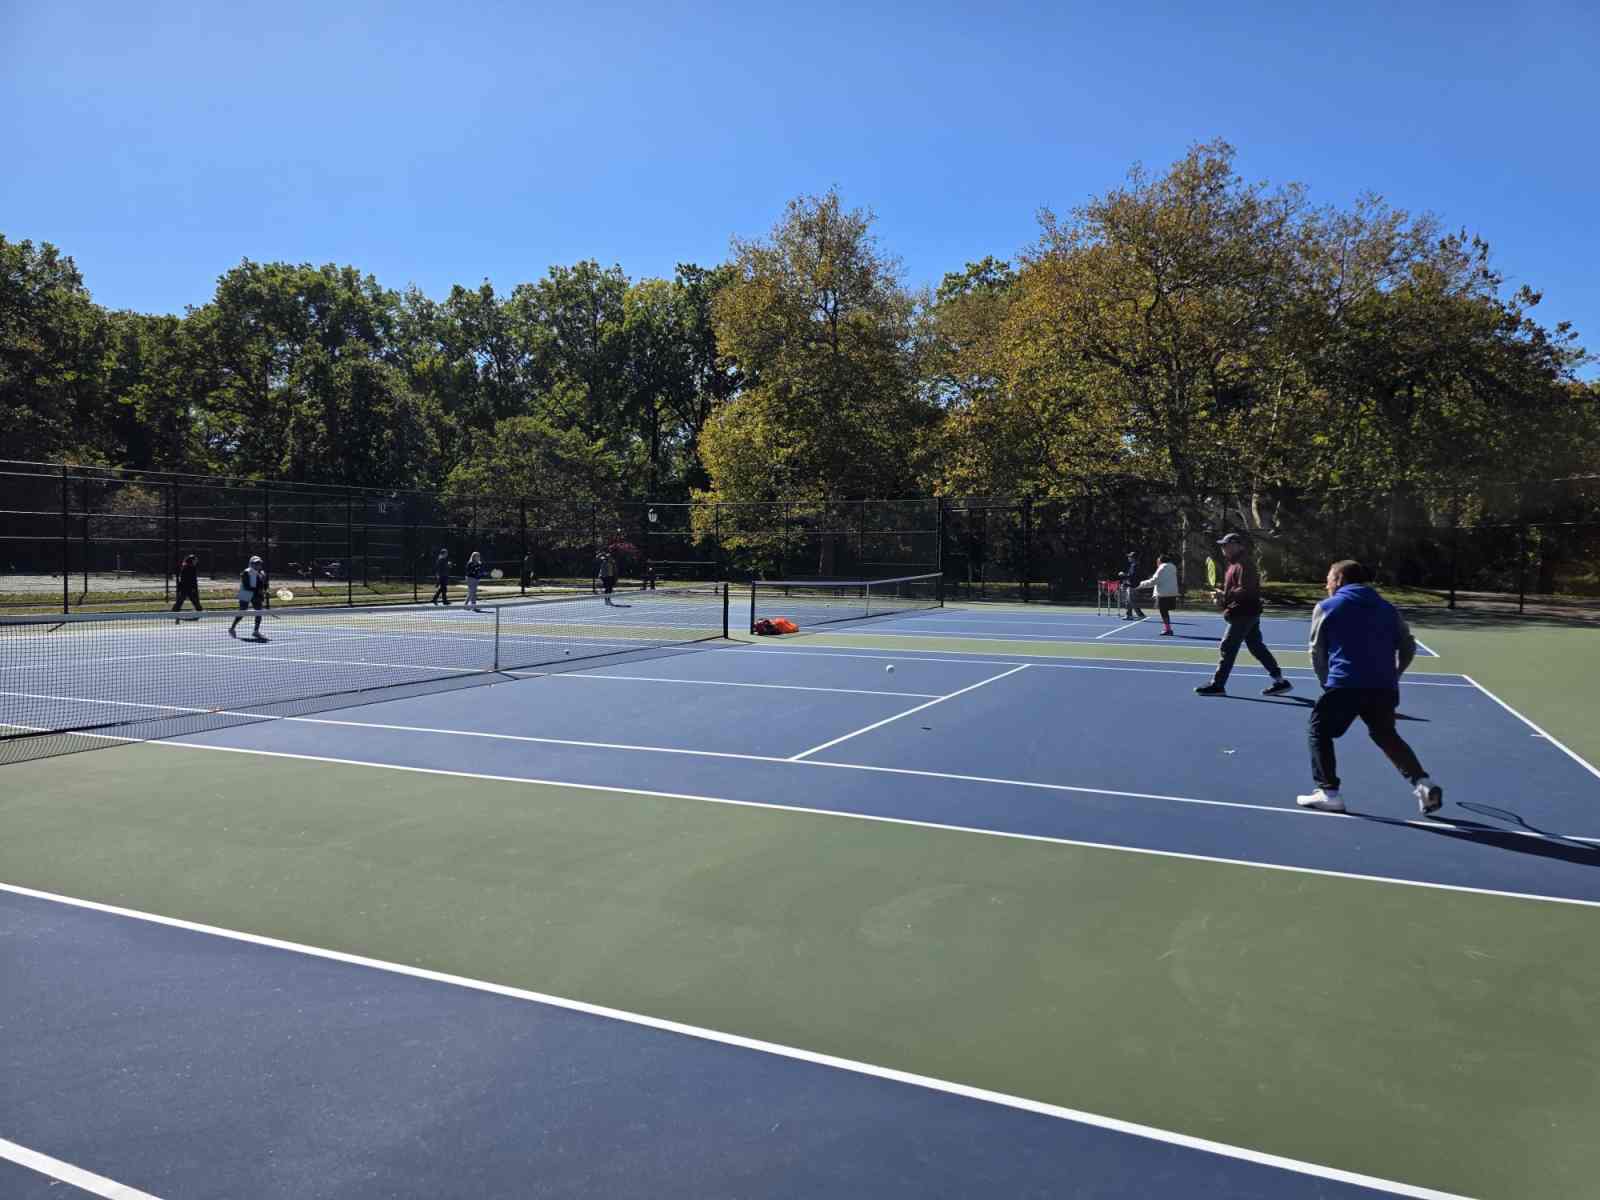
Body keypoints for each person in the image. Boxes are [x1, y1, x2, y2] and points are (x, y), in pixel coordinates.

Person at [1297, 560, 1443, 815]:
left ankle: (1328, 792)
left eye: (1329, 578)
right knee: (1385, 734)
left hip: (1345, 684)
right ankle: (1423, 783)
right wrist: (1395, 675)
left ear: (1340, 578)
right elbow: (1408, 645)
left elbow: (1316, 652)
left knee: (1318, 731)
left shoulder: (1326, 607)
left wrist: (1326, 683)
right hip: (1383, 687)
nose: (1326, 583)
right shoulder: (1387, 608)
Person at [1194, 533, 1291, 697]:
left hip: (1244, 613)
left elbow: (1245, 589)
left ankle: (1218, 685)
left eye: (1226, 544)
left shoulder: (1245, 564)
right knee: (1256, 647)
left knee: (1228, 647)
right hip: (1245, 612)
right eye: (1222, 545)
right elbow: (1236, 590)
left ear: (1238, 546)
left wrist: (1224, 596)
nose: (1223, 547)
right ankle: (1280, 681)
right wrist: (1222, 596)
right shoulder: (1234, 564)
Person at [228, 555, 268, 640]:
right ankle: (232, 628)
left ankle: (256, 631)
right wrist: (258, 591)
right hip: (245, 593)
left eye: (259, 563)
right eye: (256, 563)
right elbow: (247, 586)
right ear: (251, 564)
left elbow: (263, 585)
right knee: (242, 611)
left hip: (256, 594)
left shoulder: (261, 573)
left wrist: (264, 589)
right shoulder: (246, 572)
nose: (258, 565)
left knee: (259, 612)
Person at [1138, 553, 1179, 635]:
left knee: (1163, 612)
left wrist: (1140, 584)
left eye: (1157, 560)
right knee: (1165, 611)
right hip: (1172, 592)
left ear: (1160, 561)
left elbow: (1154, 581)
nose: (1157, 562)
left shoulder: (1162, 567)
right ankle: (1168, 629)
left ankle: (1168, 630)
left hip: (1163, 593)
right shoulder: (1172, 567)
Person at [1119, 552, 1147, 620]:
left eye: (1130, 557)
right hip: (1131, 584)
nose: (1128, 558)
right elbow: (1131, 576)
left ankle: (1141, 615)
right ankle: (1129, 615)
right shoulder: (1134, 565)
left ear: (1133, 558)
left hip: (1133, 585)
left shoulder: (1135, 565)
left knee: (1132, 601)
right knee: (1128, 601)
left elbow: (1132, 576)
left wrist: (1123, 574)